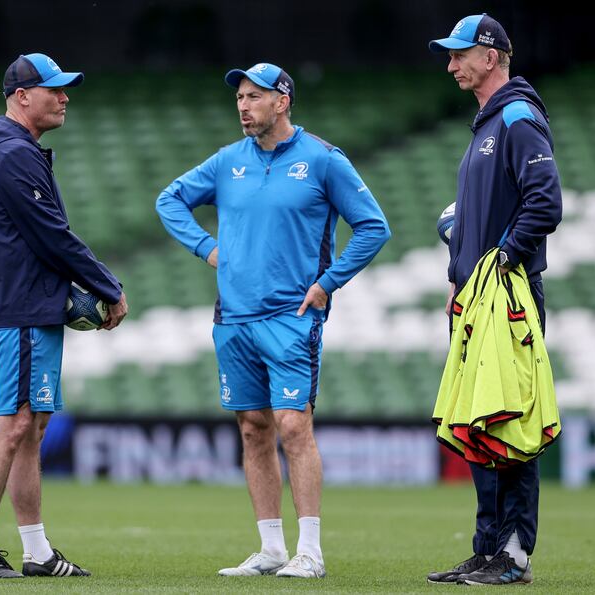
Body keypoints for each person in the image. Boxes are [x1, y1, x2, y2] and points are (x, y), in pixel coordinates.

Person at [156, 63, 390, 579]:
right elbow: (168, 200)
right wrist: (206, 247)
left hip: (291, 317)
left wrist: (328, 283)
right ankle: (270, 548)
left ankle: (311, 551)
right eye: (239, 96)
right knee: (252, 428)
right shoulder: (226, 162)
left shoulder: (324, 160)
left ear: (282, 101)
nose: (243, 105)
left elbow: (374, 227)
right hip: (233, 317)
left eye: (254, 96)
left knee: (293, 425)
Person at [0, 53, 129, 579]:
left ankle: (36, 551)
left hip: (25, 308)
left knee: (31, 427)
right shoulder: (14, 155)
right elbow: (52, 236)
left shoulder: (18, 151)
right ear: (21, 96)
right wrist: (108, 288)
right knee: (12, 424)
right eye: (53, 89)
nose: (64, 96)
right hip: (19, 311)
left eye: (64, 89)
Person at [426, 14, 562, 585]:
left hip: (506, 297)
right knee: (480, 423)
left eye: (460, 54)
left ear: (492, 56)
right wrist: (462, 254)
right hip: (477, 298)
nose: (452, 64)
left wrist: (501, 257)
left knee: (507, 423)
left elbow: (545, 203)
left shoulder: (515, 115)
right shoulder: (487, 124)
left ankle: (514, 554)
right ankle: (488, 548)